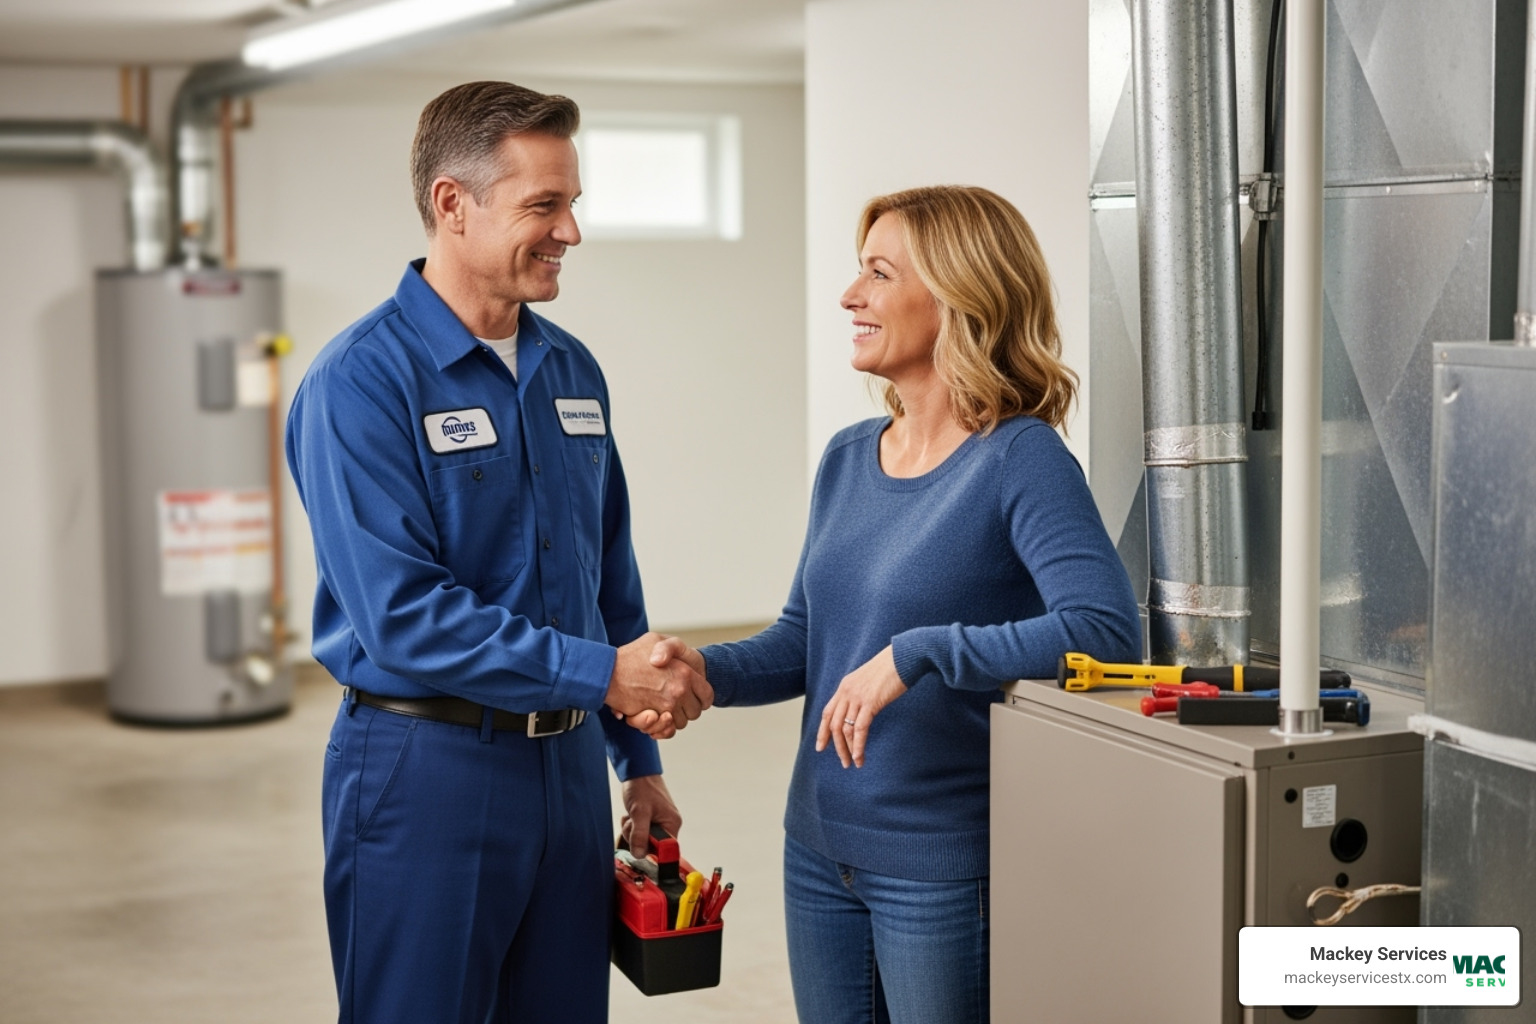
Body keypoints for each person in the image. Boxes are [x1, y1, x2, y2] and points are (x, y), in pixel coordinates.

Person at [645, 185, 1141, 1023]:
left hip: (938, 865)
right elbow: (808, 640)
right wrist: (706, 671)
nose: (850, 296)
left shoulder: (1021, 459)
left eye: (878, 273)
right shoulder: (847, 458)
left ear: (960, 296)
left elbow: (1104, 631)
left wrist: (921, 651)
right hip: (815, 846)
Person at [285, 81, 712, 1024]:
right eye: (543, 205)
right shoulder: (359, 384)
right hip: (425, 767)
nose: (571, 231)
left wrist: (636, 758)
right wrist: (604, 674)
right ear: (452, 203)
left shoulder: (569, 368)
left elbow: (608, 578)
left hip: (565, 776)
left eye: (573, 203)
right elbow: (401, 617)